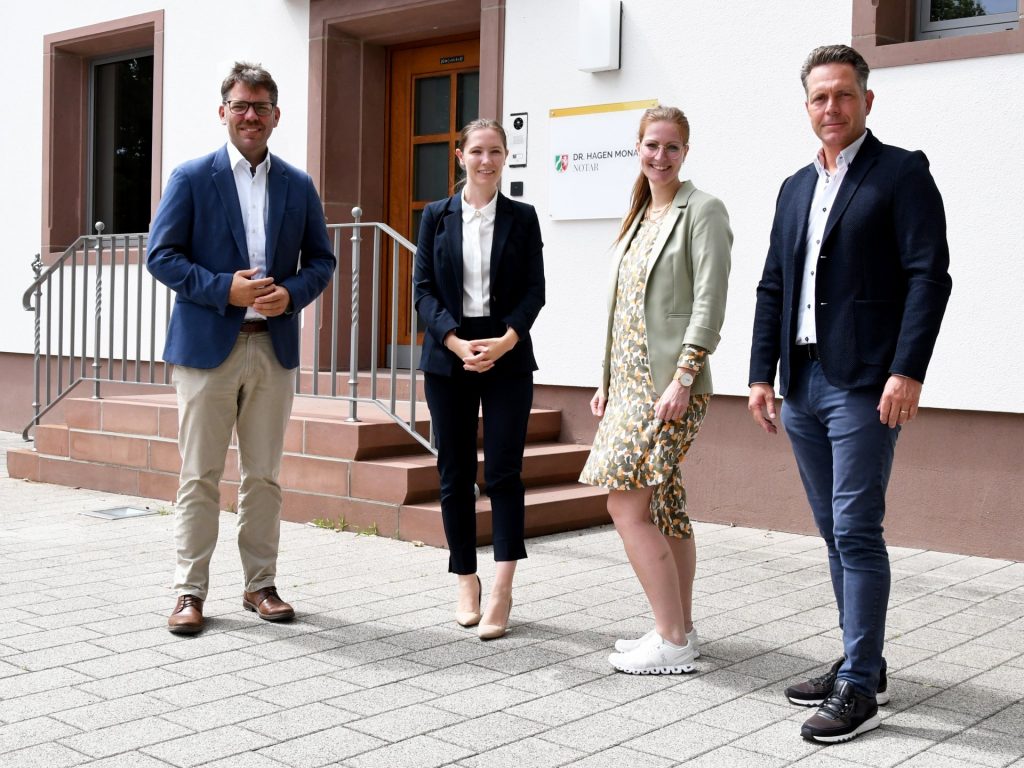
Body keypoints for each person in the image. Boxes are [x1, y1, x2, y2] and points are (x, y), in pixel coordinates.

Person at [748, 44, 952, 743]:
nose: (829, 108)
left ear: (867, 100)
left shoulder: (901, 173)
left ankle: (859, 686)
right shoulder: (793, 187)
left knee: (858, 530)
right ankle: (862, 658)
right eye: (818, 98)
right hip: (800, 380)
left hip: (866, 382)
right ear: (806, 107)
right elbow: (773, 283)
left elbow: (930, 275)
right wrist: (758, 375)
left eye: (841, 95)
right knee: (834, 532)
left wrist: (908, 369)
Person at [147, 62, 336, 635]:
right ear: (223, 111)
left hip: (271, 348)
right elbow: (162, 255)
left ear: (276, 116)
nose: (250, 115)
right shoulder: (191, 176)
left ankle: (260, 585)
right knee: (199, 474)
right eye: (240, 105)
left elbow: (321, 261)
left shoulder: (298, 185)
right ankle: (188, 591)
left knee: (264, 477)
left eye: (260, 106)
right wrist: (223, 288)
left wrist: (292, 294)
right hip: (208, 348)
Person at [579, 106, 732, 674]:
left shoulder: (704, 211)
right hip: (630, 387)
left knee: (625, 503)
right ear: (637, 148)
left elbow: (709, 301)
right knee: (667, 507)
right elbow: (624, 308)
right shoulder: (640, 214)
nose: (660, 157)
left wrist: (685, 378)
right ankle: (681, 628)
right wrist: (606, 382)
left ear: (685, 153)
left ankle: (670, 639)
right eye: (651, 146)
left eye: (671, 147)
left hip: (669, 386)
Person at [413, 118, 545, 640]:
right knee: (454, 472)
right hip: (450, 354)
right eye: (476, 151)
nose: (485, 160)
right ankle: (465, 577)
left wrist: (507, 341)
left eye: (495, 152)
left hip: (507, 352)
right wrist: (453, 341)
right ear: (459, 155)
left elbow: (534, 290)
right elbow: (423, 290)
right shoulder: (436, 216)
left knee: (506, 473)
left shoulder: (523, 217)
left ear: (506, 156)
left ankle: (502, 589)